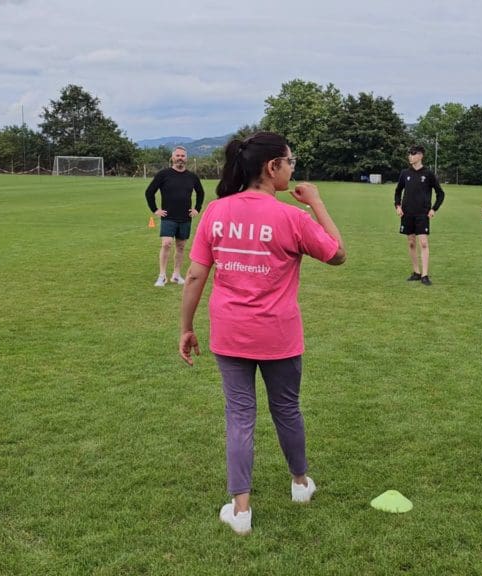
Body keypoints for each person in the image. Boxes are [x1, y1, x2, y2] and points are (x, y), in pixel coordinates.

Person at [178, 131, 345, 535]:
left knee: (239, 416)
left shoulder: (216, 211)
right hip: (279, 334)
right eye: (290, 161)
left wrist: (186, 327)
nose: (292, 168)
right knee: (287, 409)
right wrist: (317, 202)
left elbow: (196, 274)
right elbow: (337, 254)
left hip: (230, 333)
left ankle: (241, 511)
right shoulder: (292, 217)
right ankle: (300, 484)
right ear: (272, 167)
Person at [145, 146, 204, 286]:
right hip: (168, 216)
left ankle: (176, 275)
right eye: (177, 155)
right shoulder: (163, 174)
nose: (180, 158)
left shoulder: (192, 177)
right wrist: (155, 210)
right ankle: (162, 275)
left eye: (182, 156)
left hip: (185, 217)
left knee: (181, 246)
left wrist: (197, 209)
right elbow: (149, 192)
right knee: (166, 244)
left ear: (186, 158)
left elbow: (200, 193)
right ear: (172, 157)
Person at [394, 144, 444, 286]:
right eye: (409, 153)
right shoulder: (405, 173)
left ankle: (425, 275)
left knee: (423, 243)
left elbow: (440, 193)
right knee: (411, 243)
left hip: (422, 214)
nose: (410, 155)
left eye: (413, 153)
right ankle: (416, 272)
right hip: (407, 214)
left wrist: (434, 209)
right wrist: (398, 206)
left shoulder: (428, 174)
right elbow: (398, 191)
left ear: (421, 155)